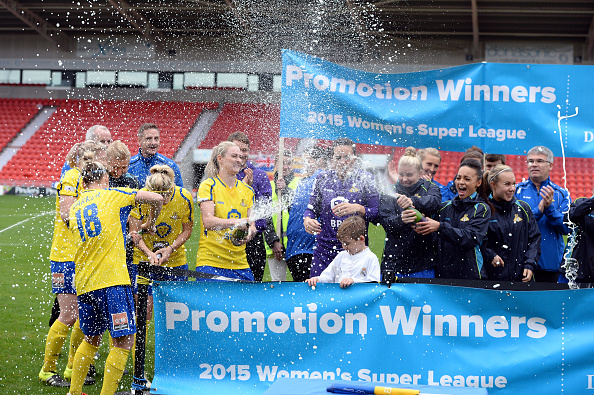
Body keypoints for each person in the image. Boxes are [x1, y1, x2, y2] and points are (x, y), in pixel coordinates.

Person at [67, 162, 163, 395]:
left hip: (85, 283)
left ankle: (73, 392)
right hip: (112, 283)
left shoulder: (75, 206)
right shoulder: (112, 194)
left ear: (83, 183)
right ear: (105, 181)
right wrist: (150, 222)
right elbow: (157, 198)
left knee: (91, 339)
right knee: (123, 341)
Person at [39, 142, 99, 388]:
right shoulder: (72, 177)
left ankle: (72, 366)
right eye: (91, 158)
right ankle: (47, 369)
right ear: (81, 159)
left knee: (81, 316)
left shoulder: (83, 181)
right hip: (64, 258)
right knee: (69, 314)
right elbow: (66, 213)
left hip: (80, 257)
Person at [303, 138, 379, 277]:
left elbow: (376, 215)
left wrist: (358, 208)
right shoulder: (322, 178)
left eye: (347, 157)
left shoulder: (366, 178)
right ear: (332, 159)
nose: (342, 162)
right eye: (338, 157)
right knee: (318, 293)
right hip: (324, 251)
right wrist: (307, 219)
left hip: (354, 253)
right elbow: (311, 209)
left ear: (355, 159)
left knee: (351, 296)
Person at [129, 165, 194, 316]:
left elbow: (187, 230)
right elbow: (134, 233)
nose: (162, 200)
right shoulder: (140, 196)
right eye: (157, 196)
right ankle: (140, 340)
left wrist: (171, 249)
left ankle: (171, 341)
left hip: (175, 261)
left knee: (176, 313)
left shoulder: (184, 196)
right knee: (144, 312)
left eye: (166, 195)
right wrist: (149, 254)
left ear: (172, 186)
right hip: (143, 262)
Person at [412, 159, 491, 280]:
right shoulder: (444, 207)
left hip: (470, 276)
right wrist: (420, 226)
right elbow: (433, 238)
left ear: (478, 183)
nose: (461, 182)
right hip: (443, 275)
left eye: (467, 179)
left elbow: (470, 238)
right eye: (458, 178)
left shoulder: (482, 208)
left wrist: (439, 227)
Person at [378, 147, 441, 282]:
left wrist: (413, 201)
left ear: (420, 172)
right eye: (401, 174)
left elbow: (434, 202)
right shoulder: (389, 191)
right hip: (394, 263)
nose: (404, 179)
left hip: (423, 263)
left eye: (409, 175)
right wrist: (401, 219)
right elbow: (386, 223)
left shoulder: (430, 187)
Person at [196, 141, 257, 281]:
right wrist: (237, 222)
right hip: (211, 262)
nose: (239, 160)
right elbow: (208, 222)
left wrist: (249, 233)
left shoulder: (248, 190)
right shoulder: (208, 186)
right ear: (220, 159)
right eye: (234, 156)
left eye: (241, 157)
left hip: (240, 263)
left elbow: (252, 226)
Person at [515, 146, 571, 282]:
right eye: (530, 161)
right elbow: (515, 225)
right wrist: (539, 210)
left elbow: (566, 228)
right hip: (521, 263)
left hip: (550, 264)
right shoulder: (516, 191)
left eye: (539, 161)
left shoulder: (562, 194)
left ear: (550, 165)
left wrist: (550, 209)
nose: (534, 165)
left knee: (549, 302)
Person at [480, 165, 540, 282]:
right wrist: (490, 255)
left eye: (513, 183)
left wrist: (530, 264)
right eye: (507, 184)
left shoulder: (523, 208)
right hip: (492, 279)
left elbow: (534, 238)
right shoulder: (483, 210)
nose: (512, 188)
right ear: (493, 184)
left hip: (521, 279)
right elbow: (476, 240)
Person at [227, 132, 272, 281]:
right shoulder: (223, 176)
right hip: (228, 237)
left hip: (254, 239)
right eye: (237, 150)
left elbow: (266, 208)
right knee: (229, 288)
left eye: (244, 150)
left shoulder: (260, 175)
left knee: (254, 286)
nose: (241, 154)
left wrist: (251, 189)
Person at [285, 146, 330, 282]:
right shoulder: (303, 182)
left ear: (320, 160)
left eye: (308, 160)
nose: (305, 164)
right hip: (305, 249)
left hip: (304, 249)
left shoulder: (322, 179)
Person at [305, 216, 380, 288]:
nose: (344, 247)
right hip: (340, 299)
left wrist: (354, 281)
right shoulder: (342, 255)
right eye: (342, 243)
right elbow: (328, 277)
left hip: (360, 300)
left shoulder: (371, 258)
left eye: (347, 243)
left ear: (361, 239)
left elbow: (374, 285)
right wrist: (318, 279)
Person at [263, 149, 298, 281]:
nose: (285, 167)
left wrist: (286, 190)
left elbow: (299, 211)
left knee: (301, 283)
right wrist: (273, 241)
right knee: (278, 284)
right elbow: (265, 218)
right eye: (282, 163)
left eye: (289, 163)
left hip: (296, 245)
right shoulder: (269, 186)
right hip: (275, 246)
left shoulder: (299, 184)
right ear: (276, 164)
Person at [129, 123, 183, 187]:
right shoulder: (128, 166)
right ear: (139, 140)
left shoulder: (170, 166)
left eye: (156, 139)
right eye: (149, 139)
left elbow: (179, 194)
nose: (153, 143)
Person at [561, 196, 594, 283]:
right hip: (574, 270)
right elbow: (569, 217)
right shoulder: (581, 202)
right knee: (564, 296)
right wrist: (592, 203)